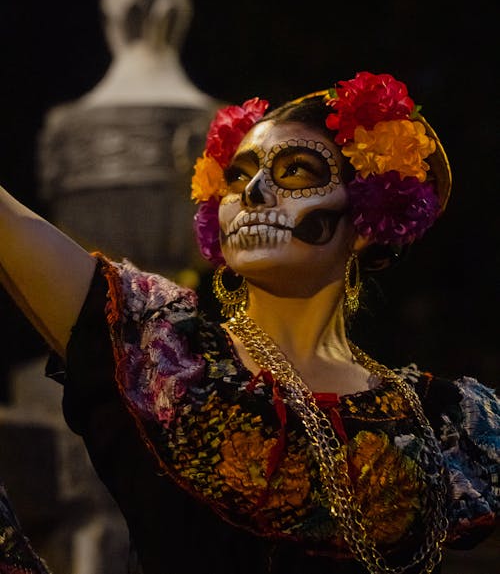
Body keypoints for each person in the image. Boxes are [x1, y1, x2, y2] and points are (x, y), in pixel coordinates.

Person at [0, 71, 498, 574]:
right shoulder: (162, 355)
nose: (254, 192)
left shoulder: (447, 422)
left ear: (370, 216)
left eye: (297, 171)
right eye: (237, 177)